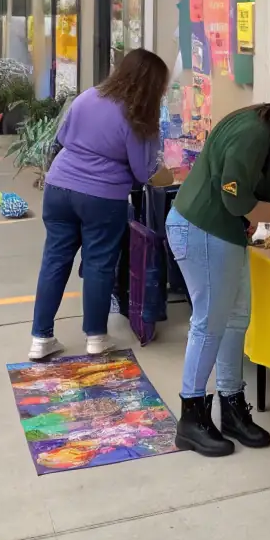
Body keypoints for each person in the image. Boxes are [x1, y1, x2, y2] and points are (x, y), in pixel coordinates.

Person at [167, 103, 270, 457]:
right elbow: (238, 202)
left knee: (237, 318)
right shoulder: (253, 134)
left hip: (226, 235)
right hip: (202, 229)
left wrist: (264, 213)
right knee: (209, 323)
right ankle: (191, 417)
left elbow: (254, 205)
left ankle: (231, 406)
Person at [28, 48, 170, 361]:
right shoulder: (139, 115)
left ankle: (40, 338)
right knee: (98, 264)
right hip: (101, 196)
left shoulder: (89, 96)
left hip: (59, 186)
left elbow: (61, 139)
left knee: (54, 260)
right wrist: (168, 172)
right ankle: (95, 336)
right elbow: (144, 172)